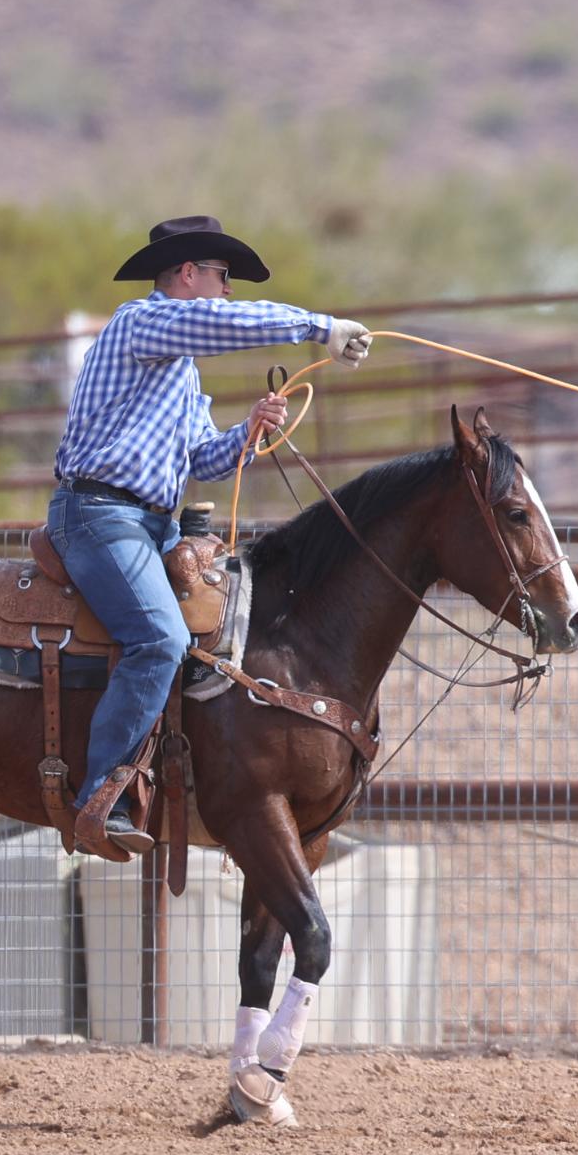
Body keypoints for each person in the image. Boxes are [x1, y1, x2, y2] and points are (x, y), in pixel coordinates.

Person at [49, 214, 371, 859]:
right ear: (188, 274)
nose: (226, 292)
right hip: (101, 516)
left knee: (221, 634)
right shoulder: (143, 321)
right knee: (159, 639)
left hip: (147, 523)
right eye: (222, 278)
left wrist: (251, 431)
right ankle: (100, 799)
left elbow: (201, 458)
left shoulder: (181, 369)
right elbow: (223, 324)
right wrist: (318, 328)